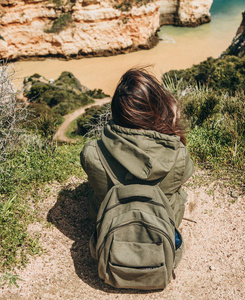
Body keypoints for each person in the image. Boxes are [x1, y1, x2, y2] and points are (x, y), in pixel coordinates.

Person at [80, 67, 194, 230]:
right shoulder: (179, 155)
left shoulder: (92, 152)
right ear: (159, 109)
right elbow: (185, 175)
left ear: (117, 111)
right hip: (163, 224)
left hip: (110, 227)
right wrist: (173, 126)